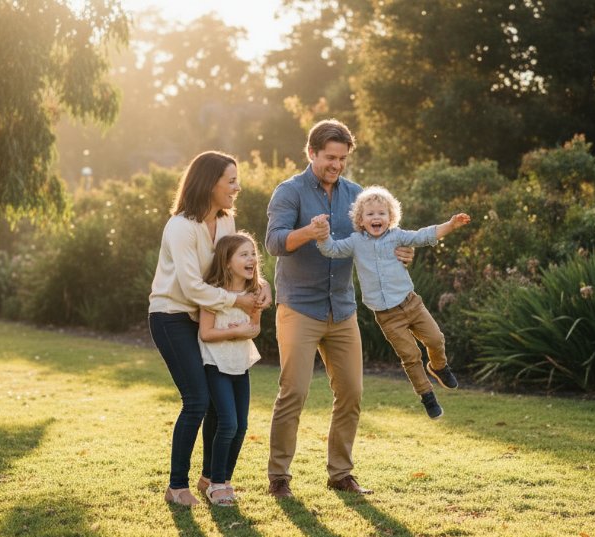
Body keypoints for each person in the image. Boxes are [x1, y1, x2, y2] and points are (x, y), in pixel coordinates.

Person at [265, 119, 413, 498]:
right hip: (300, 306)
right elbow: (274, 242)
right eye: (330, 157)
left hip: (342, 309)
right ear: (311, 152)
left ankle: (340, 473)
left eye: (343, 158)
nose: (337, 164)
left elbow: (376, 238)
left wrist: (400, 252)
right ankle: (279, 476)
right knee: (293, 392)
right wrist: (309, 234)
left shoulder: (357, 196)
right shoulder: (290, 192)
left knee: (351, 393)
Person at [149, 151, 268, 507]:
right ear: (209, 182)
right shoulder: (180, 227)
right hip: (172, 316)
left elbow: (229, 269)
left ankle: (211, 479)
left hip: (209, 314)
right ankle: (176, 485)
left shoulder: (227, 222)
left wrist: (258, 288)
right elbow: (190, 288)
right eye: (231, 181)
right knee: (197, 400)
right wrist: (238, 303)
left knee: (219, 406)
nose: (238, 187)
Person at [312, 186, 470, 419]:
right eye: (370, 214)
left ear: (390, 217)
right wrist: (322, 234)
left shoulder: (397, 236)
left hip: (411, 304)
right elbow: (331, 250)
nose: (376, 217)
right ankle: (427, 396)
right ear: (361, 220)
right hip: (387, 315)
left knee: (436, 339)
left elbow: (424, 236)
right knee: (410, 356)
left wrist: (450, 225)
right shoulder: (355, 242)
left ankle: (438, 367)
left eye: (381, 213)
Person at [197, 232, 264, 506]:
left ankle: (224, 480)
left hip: (241, 364)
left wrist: (247, 331)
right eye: (244, 254)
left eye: (253, 254)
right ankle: (215, 484)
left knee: (241, 426)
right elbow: (205, 333)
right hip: (216, 364)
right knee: (228, 423)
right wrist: (233, 333)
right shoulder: (214, 294)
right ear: (227, 262)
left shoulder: (255, 292)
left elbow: (255, 327)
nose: (251, 259)